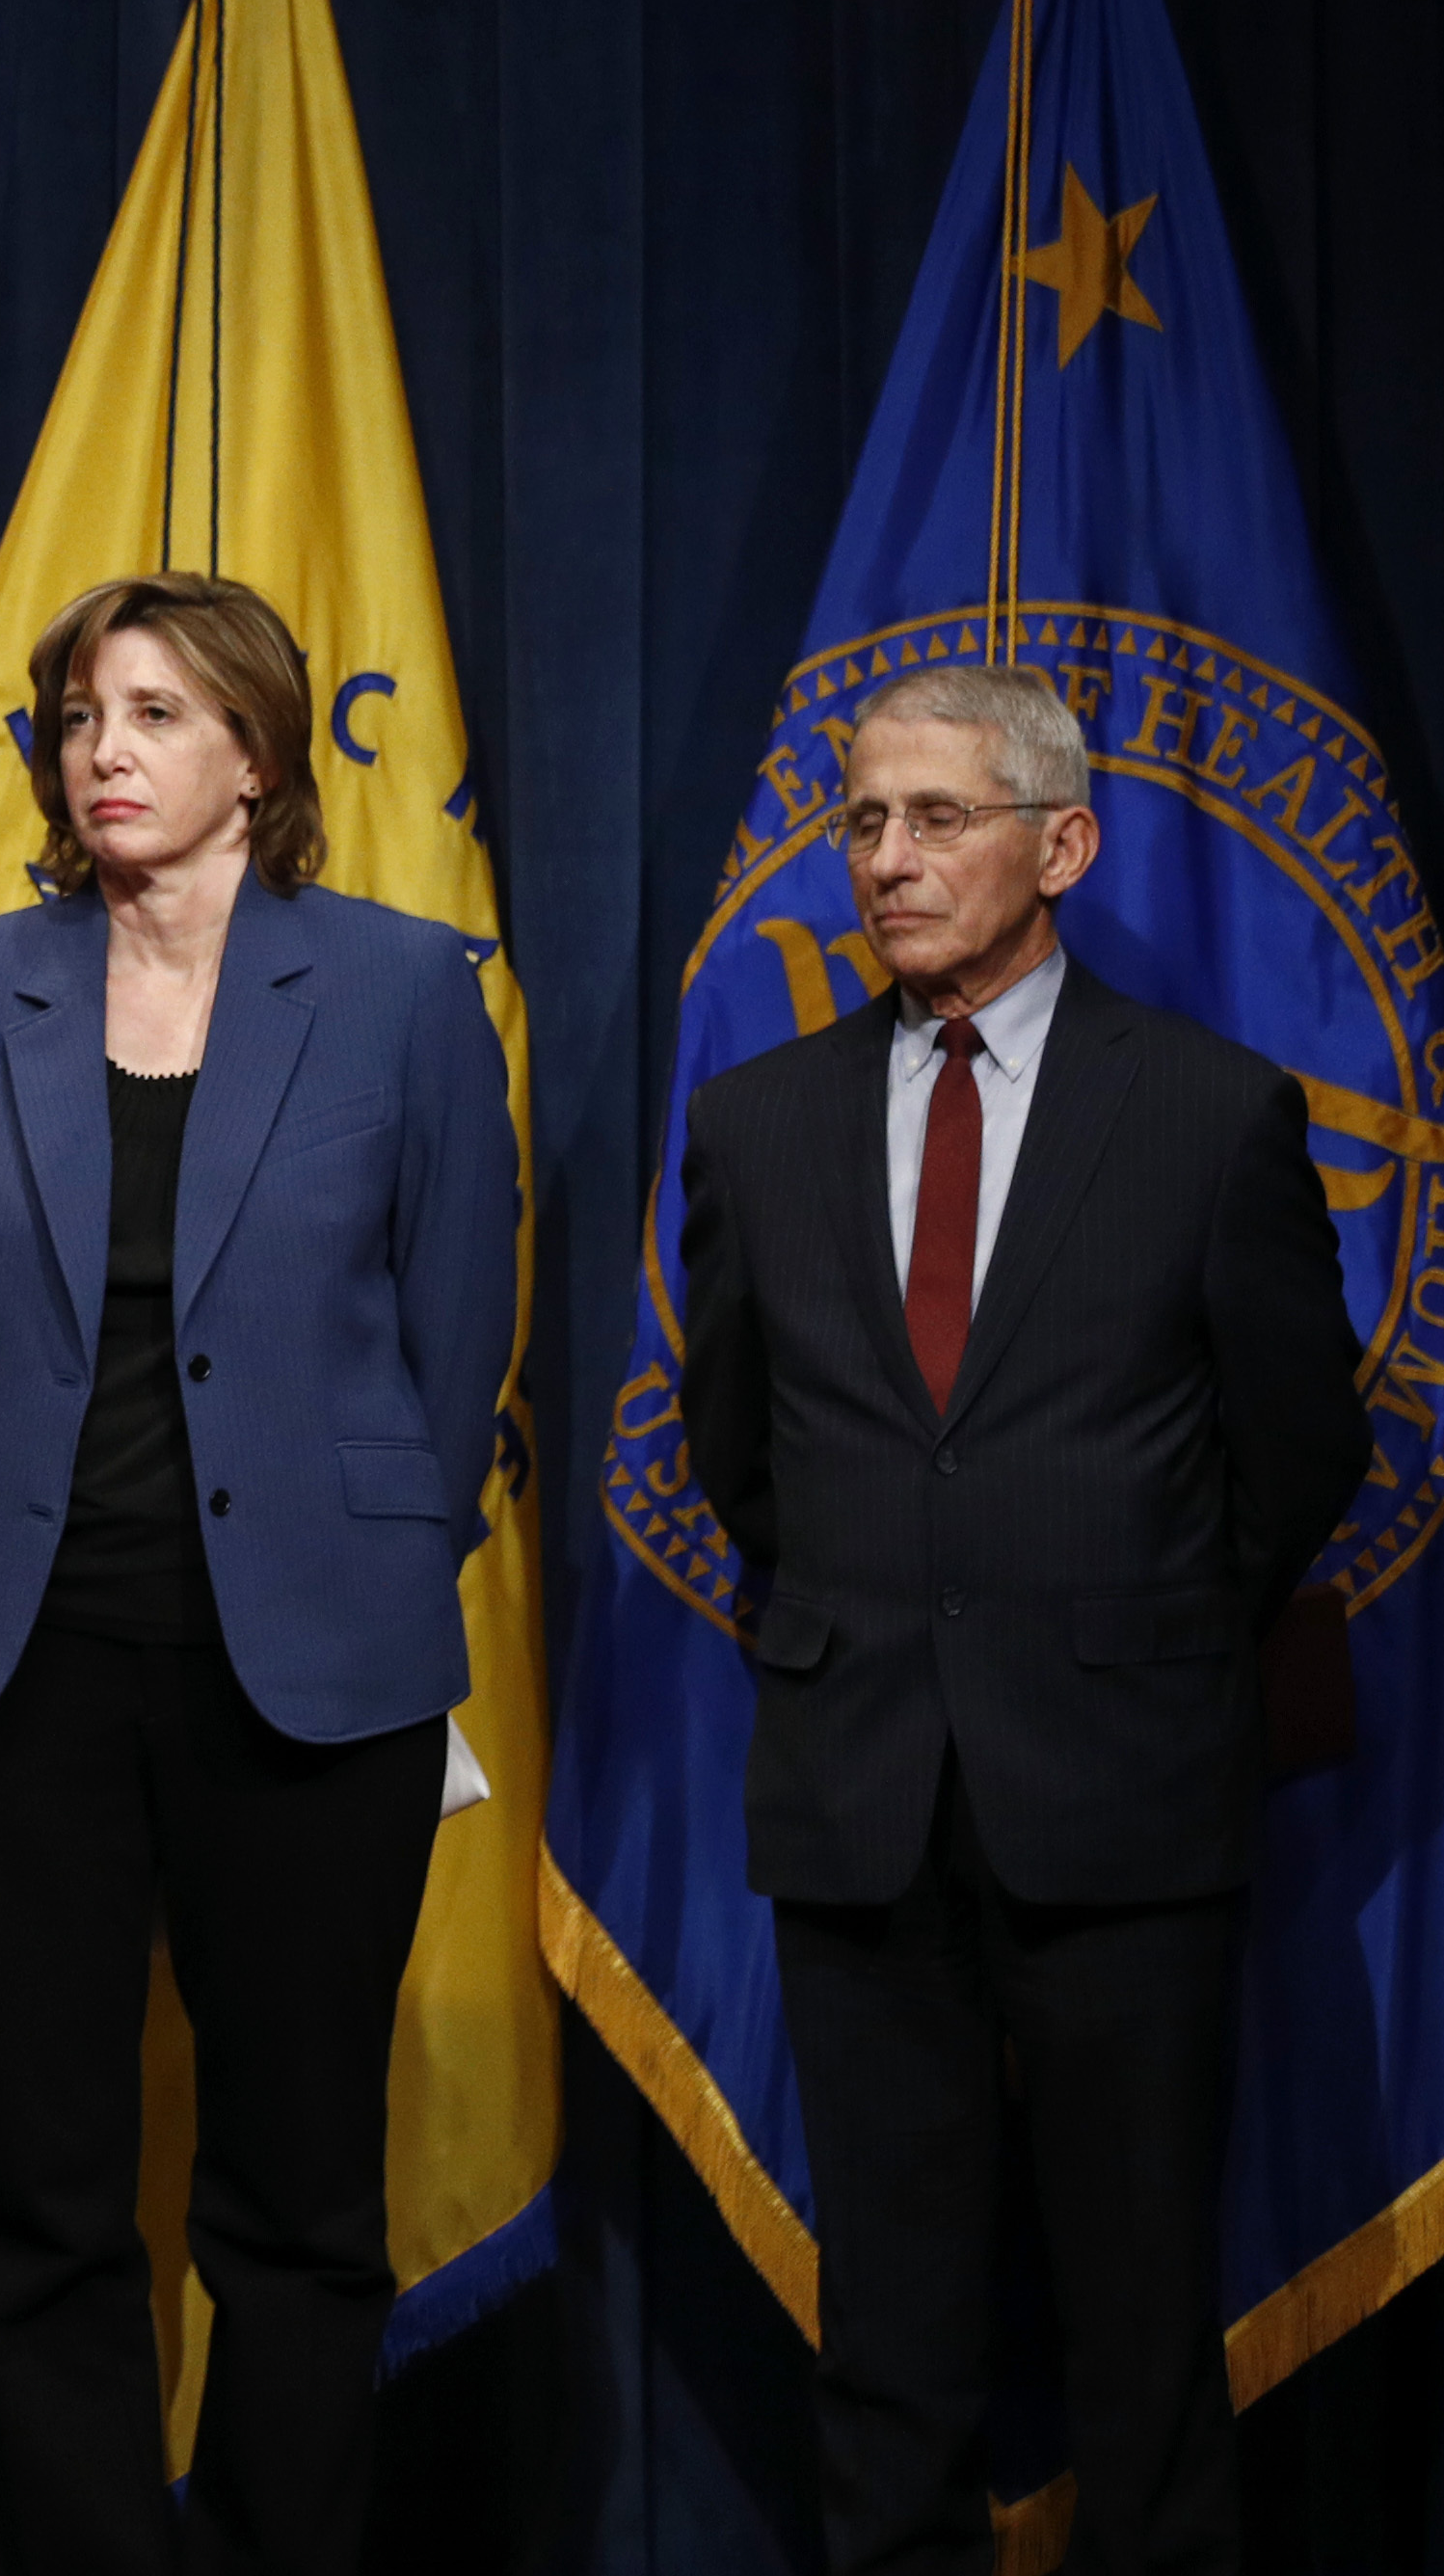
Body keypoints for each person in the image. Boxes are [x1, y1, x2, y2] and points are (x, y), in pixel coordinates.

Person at [678, 660, 1359, 2576]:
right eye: (866, 822)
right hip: (859, 1793)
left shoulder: (1214, 1115)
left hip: (1124, 1790)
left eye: (936, 818)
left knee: (1144, 2336)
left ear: (1063, 842)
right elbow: (746, 1453)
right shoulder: (757, 1123)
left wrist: (1126, 1622)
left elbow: (1298, 1447)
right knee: (889, 2339)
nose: (887, 860)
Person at [0, 571, 517, 2576]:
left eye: (156, 713)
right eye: (81, 715)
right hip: (24, 1663)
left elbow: (460, 1321)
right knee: (38, 2192)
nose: (105, 753)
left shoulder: (407, 989)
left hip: (313, 1665)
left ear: (257, 752)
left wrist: (368, 1564)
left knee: (300, 2194)